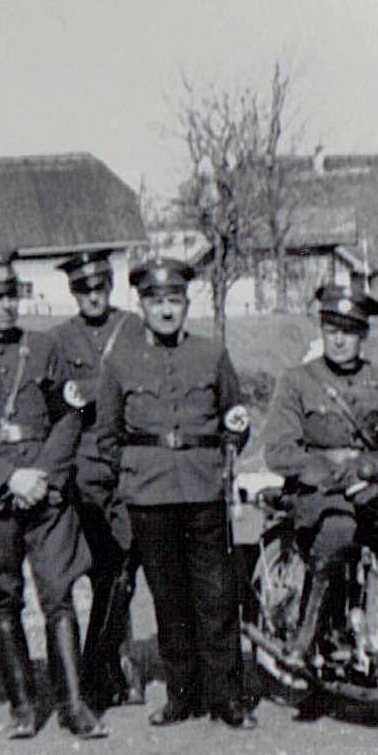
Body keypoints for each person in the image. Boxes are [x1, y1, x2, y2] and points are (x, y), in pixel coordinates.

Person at [0, 250, 105, 739]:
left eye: (13, 294)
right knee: (4, 598)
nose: (7, 304)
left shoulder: (43, 347)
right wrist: (9, 480)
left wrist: (43, 476)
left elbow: (69, 416)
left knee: (60, 595)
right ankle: (24, 706)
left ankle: (73, 705)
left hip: (45, 495)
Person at [95, 257, 256, 730]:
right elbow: (107, 436)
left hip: (204, 488)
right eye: (156, 301)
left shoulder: (211, 355)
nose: (166, 311)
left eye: (175, 301)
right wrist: (131, 476)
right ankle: (183, 695)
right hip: (150, 495)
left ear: (186, 305)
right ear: (141, 305)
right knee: (169, 599)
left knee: (216, 595)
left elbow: (236, 417)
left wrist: (229, 448)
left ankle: (227, 697)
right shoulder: (119, 363)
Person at [261, 284, 378, 716]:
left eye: (349, 331)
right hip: (317, 492)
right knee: (339, 530)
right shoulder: (298, 380)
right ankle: (305, 638)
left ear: (363, 335)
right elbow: (278, 448)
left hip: (369, 486)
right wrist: (332, 475)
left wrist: (375, 465)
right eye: (331, 329)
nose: (339, 339)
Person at [49, 249, 147, 712]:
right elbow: (58, 407)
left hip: (129, 463)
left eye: (100, 287)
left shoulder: (135, 329)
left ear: (111, 287)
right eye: (83, 290)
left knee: (123, 572)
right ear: (73, 294)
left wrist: (93, 400)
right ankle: (97, 668)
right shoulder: (59, 341)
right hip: (83, 469)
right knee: (101, 571)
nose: (93, 297)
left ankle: (111, 665)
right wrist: (99, 402)